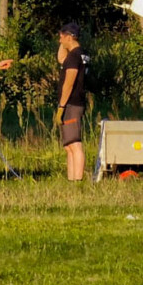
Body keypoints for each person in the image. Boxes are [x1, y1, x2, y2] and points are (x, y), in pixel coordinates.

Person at [56, 23, 88, 181]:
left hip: (71, 103)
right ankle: (71, 179)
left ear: (69, 37)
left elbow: (69, 83)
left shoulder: (74, 57)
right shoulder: (79, 54)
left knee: (75, 143)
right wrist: (62, 44)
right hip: (75, 102)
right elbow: (61, 58)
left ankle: (78, 180)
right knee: (68, 145)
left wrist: (61, 106)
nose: (60, 40)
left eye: (62, 37)